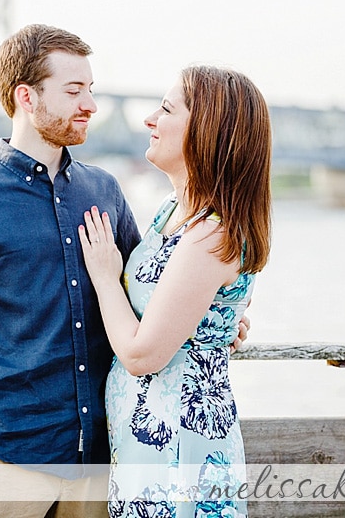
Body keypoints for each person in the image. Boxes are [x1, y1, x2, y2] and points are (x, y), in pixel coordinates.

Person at [0, 24, 142, 517]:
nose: (91, 105)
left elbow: (147, 294)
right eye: (74, 91)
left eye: (91, 90)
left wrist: (218, 317)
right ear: (26, 97)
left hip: (101, 456)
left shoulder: (104, 191)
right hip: (10, 455)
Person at [78, 65, 272, 518]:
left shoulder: (210, 234)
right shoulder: (172, 212)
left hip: (181, 449)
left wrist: (106, 277)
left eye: (165, 109)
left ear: (205, 131)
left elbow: (143, 355)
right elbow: (176, 309)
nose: (149, 120)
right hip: (145, 443)